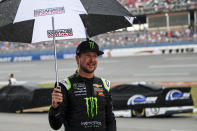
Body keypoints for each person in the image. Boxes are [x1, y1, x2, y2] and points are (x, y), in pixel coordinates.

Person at [48, 40, 116, 131]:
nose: (92, 60)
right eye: (88, 55)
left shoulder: (104, 84)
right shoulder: (65, 86)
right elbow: (55, 125)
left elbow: (110, 120)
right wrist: (55, 108)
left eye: (95, 56)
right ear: (77, 59)